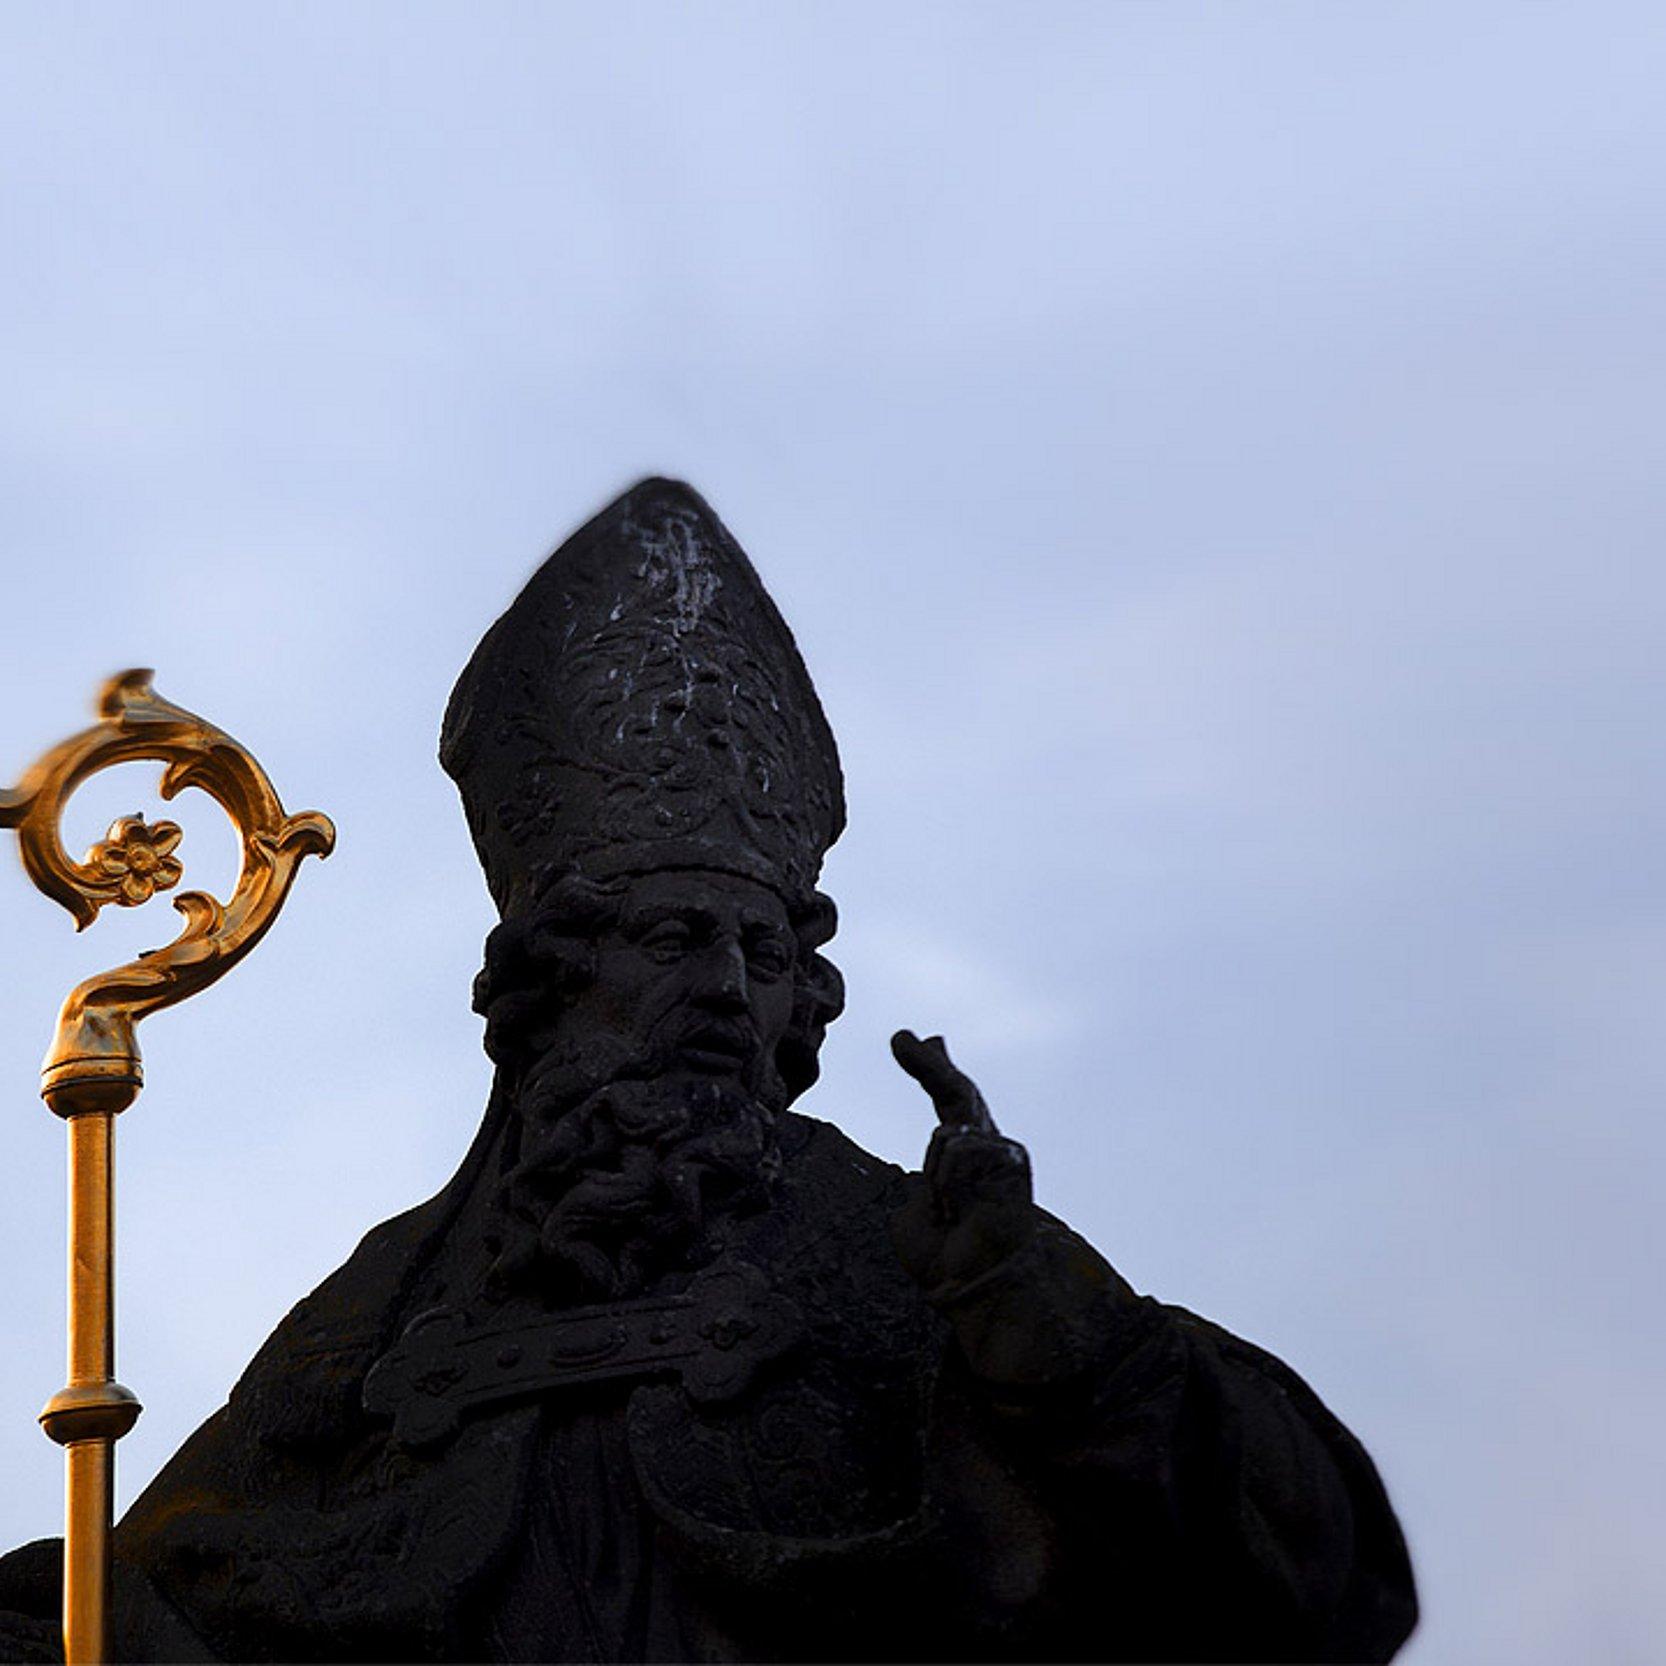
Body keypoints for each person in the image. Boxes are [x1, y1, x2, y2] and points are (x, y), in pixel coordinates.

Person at [0, 479, 1416, 1662]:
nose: (727, 993)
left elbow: (1323, 1574)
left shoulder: (907, 1251)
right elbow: (187, 1590)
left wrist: (1063, 1338)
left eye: (761, 953)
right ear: (556, 983)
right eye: (674, 938)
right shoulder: (394, 1302)